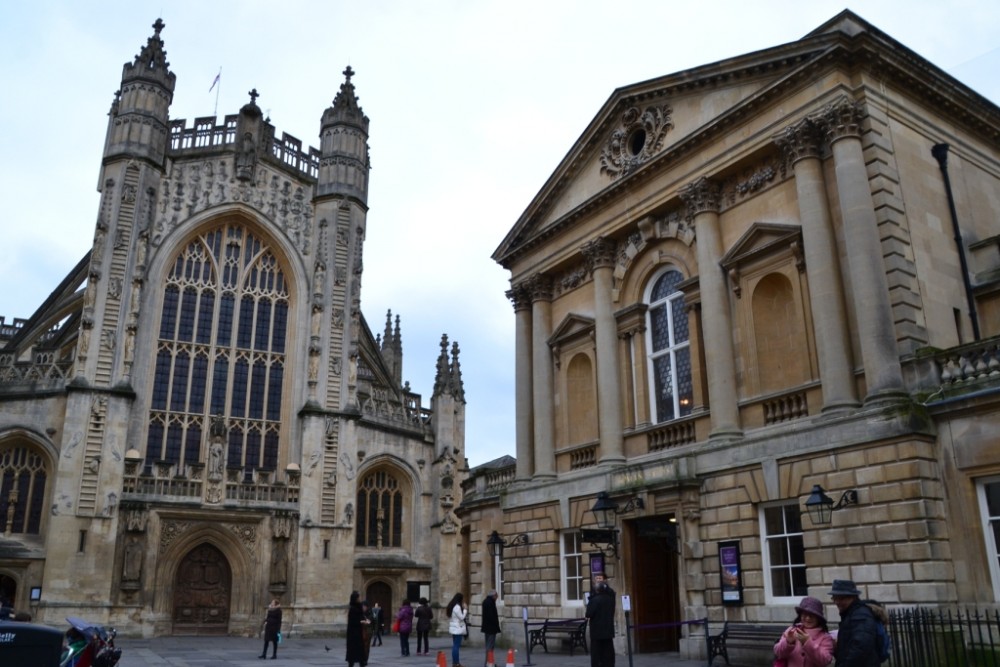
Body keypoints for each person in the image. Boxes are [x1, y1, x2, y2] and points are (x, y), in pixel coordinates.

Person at [829, 579, 881, 667]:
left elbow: (861, 647)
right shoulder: (851, 613)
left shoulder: (860, 615)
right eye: (834, 598)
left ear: (853, 597)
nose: (837, 602)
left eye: (841, 598)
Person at [773, 596, 835, 667]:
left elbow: (825, 660)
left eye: (812, 615)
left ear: (818, 618)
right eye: (805, 614)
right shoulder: (792, 630)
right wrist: (788, 642)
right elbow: (778, 652)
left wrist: (808, 643)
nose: (808, 618)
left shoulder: (825, 637)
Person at [585, 573, 616, 667]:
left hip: (598, 629)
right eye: (596, 578)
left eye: (600, 578)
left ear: (605, 580)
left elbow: (589, 614)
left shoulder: (608, 593)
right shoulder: (604, 596)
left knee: (600, 653)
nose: (598, 580)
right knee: (606, 652)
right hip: (606, 629)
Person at [346, 591, 369, 667]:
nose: (359, 599)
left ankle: (362, 663)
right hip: (353, 634)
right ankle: (351, 664)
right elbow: (353, 622)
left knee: (361, 652)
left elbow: (361, 617)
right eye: (358, 598)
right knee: (353, 651)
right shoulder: (353, 609)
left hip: (359, 632)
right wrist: (363, 622)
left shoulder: (359, 607)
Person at [446, 592, 468, 667]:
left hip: (454, 627)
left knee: (455, 646)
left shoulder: (452, 606)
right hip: (457, 628)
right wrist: (465, 609)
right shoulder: (457, 607)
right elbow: (461, 617)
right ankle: (456, 663)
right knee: (456, 646)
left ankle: (455, 662)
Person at [480, 589, 500, 666]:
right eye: (496, 596)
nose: (497, 598)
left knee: (488, 645)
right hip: (491, 628)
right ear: (493, 596)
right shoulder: (491, 603)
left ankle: (489, 662)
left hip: (486, 627)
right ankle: (488, 663)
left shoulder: (485, 601)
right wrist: (496, 626)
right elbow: (492, 616)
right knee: (490, 646)